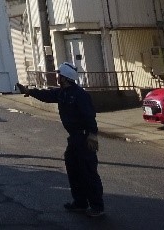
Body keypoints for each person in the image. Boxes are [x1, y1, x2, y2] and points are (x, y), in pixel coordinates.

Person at [16, 63, 105, 218]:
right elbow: (46, 95)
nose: (57, 77)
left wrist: (92, 134)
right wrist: (29, 91)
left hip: (84, 138)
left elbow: (89, 115)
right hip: (74, 138)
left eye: (59, 75)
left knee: (88, 172)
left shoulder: (80, 95)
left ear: (65, 78)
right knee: (73, 169)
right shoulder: (63, 92)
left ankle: (97, 206)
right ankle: (80, 202)